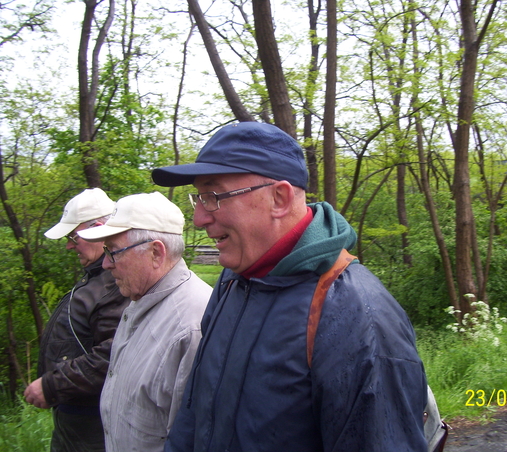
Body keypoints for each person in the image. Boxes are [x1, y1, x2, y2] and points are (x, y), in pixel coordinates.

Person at [151, 121, 429, 452]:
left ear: (279, 198)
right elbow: (194, 413)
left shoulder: (358, 315)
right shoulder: (234, 281)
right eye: (198, 197)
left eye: (213, 196)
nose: (198, 218)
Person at [77, 191, 212, 452]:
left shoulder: (191, 327)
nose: (105, 264)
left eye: (113, 251)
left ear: (155, 253)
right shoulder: (139, 301)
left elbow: (193, 441)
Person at [24, 187, 130, 452]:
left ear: (99, 227)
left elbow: (113, 355)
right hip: (73, 420)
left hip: (93, 426)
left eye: (74, 236)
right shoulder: (97, 275)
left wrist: (51, 385)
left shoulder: (117, 281)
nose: (70, 245)